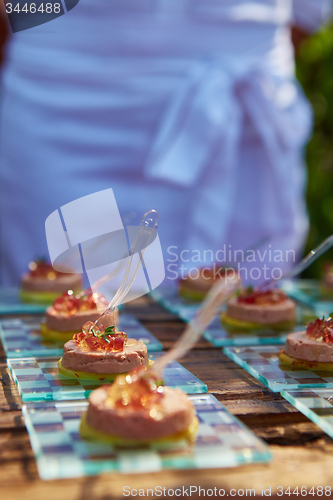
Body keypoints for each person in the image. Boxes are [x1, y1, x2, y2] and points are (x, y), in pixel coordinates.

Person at [0, 0, 331, 286]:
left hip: (242, 123)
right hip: (62, 114)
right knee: (50, 332)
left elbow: (303, 16)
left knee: (247, 327)